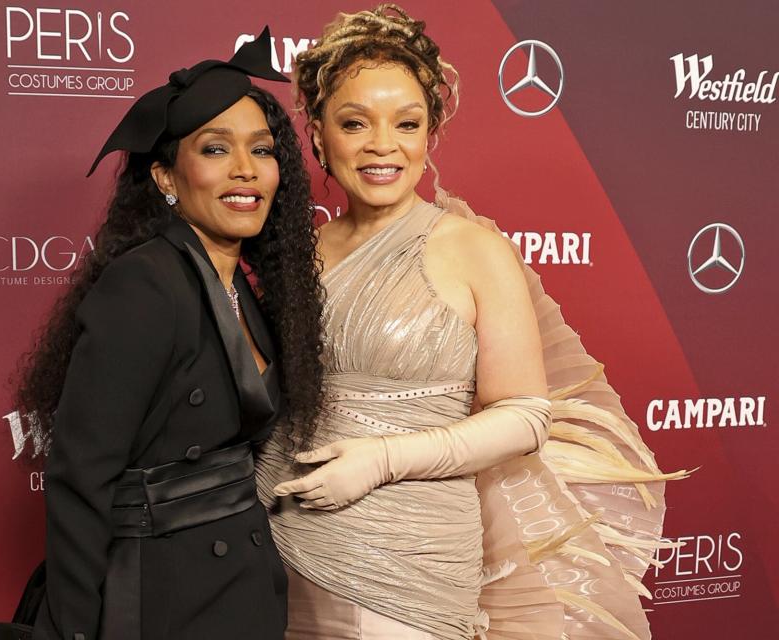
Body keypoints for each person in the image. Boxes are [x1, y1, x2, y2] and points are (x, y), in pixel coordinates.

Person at [255, 6, 687, 640]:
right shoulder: (294, 253)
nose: (383, 145)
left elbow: (524, 416)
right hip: (281, 543)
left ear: (431, 136)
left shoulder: (474, 249)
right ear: (318, 135)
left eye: (407, 124)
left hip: (415, 561)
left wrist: (381, 460)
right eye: (355, 123)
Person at [9, 29, 323, 640]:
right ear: (165, 178)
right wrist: (74, 631)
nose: (245, 171)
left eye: (262, 150)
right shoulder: (144, 285)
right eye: (215, 150)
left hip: (244, 587)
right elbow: (79, 478)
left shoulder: (243, 287)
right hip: (160, 599)